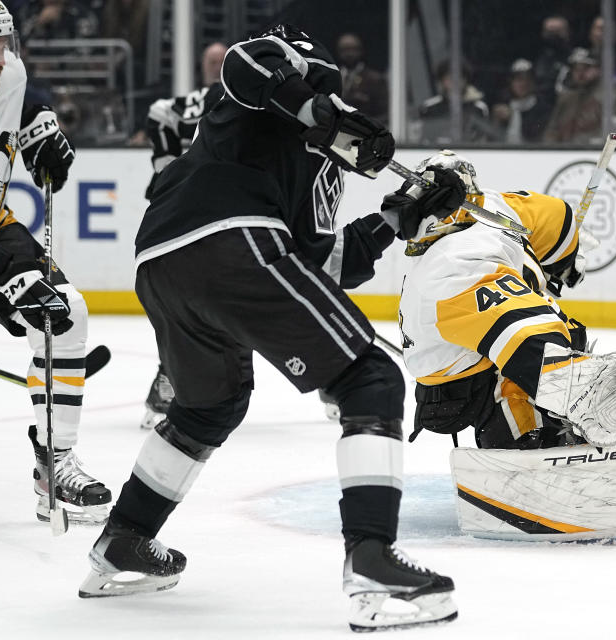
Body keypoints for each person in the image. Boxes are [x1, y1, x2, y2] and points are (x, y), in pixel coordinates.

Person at [79, 24, 462, 632]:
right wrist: (322, 108)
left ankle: (124, 539)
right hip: (229, 236)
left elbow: (314, 264)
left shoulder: (315, 169)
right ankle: (371, 558)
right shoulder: (278, 84)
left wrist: (396, 218)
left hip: (162, 259)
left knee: (209, 407)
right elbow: (245, 63)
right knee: (372, 377)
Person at [397, 150, 616, 520]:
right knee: (542, 368)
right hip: (517, 343)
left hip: (495, 372)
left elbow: (538, 352)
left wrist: (600, 409)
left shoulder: (451, 263)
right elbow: (559, 220)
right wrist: (568, 255)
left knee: (527, 388)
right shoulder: (496, 206)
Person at [0, 3, 110, 524]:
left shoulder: (10, 72)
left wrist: (39, 121)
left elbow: (20, 95)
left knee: (65, 315)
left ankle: (54, 466)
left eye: (2, 42)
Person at [137, 43, 227, 429]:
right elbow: (158, 113)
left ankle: (331, 374)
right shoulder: (191, 104)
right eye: (211, 61)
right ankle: (170, 376)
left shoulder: (251, 106)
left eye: (222, 61)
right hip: (185, 219)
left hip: (230, 212)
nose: (216, 66)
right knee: (182, 298)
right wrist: (169, 169)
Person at [415, 58, 492, 144]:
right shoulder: (429, 107)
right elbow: (422, 139)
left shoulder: (478, 108)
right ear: (442, 81)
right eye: (449, 78)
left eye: (458, 77)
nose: (454, 82)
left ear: (465, 80)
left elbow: (483, 139)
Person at [543, 48, 604, 144]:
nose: (580, 73)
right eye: (576, 69)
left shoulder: (609, 96)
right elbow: (551, 132)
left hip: (602, 152)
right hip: (569, 154)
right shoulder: (566, 99)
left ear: (597, 70)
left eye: (585, 68)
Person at [490, 58, 552, 143]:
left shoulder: (542, 108)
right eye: (518, 79)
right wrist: (497, 120)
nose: (523, 83)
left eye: (528, 79)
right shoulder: (502, 103)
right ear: (511, 82)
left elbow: (538, 138)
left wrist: (513, 117)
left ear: (533, 82)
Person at [336, 32, 388, 121]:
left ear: (361, 51)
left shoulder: (374, 79)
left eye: (353, 49)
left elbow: (385, 113)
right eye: (344, 49)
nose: (349, 54)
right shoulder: (333, 76)